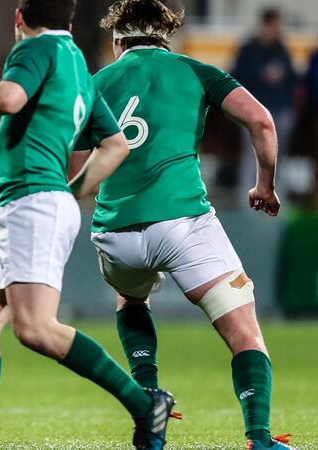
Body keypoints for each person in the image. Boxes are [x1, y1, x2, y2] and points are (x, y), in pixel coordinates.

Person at [0, 1, 180, 449]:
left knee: (35, 328)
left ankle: (146, 406)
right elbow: (116, 144)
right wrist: (72, 189)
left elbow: (10, 97)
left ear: (19, 16)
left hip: (33, 204)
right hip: (25, 204)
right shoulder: (78, 65)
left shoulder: (36, 48)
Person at [83, 1, 292, 449]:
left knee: (131, 299)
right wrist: (265, 186)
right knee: (245, 333)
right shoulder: (193, 70)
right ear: (166, 37)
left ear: (118, 41)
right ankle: (259, 437)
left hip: (115, 233)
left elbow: (67, 146)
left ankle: (150, 405)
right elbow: (261, 120)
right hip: (182, 223)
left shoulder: (95, 81)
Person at [231, 8, 296, 205]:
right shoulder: (249, 49)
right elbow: (235, 76)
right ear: (265, 25)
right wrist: (261, 74)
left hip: (280, 110)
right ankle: (247, 200)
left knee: (279, 156)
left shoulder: (282, 49)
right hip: (254, 112)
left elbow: (292, 77)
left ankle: (276, 198)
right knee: (252, 155)